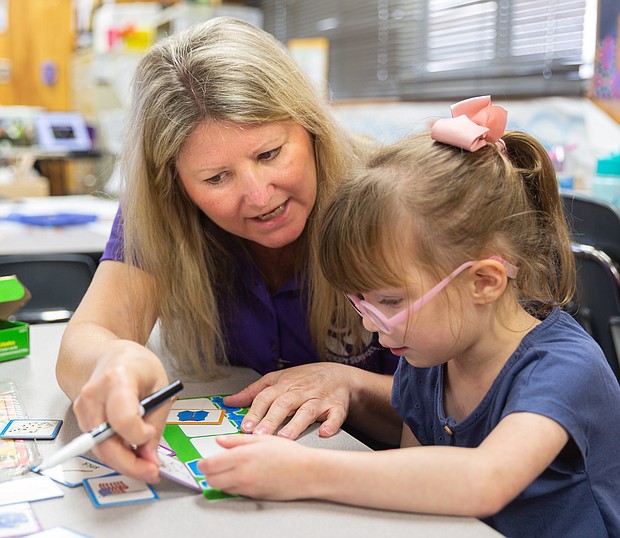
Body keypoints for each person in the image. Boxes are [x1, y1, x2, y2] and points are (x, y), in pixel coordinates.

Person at [198, 96, 620, 538]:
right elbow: (416, 503)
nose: (369, 323)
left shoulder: (564, 368)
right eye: (361, 300)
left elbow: (485, 480)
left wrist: (305, 472)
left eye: (391, 301)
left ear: (484, 282)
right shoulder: (430, 359)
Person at [55, 16, 399, 482]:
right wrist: (112, 361)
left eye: (270, 154)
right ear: (176, 185)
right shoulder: (160, 212)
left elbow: (476, 406)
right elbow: (88, 335)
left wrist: (353, 385)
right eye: (216, 178)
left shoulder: (389, 198)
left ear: (311, 128)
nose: (259, 197)